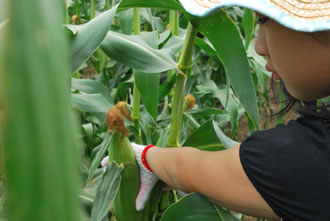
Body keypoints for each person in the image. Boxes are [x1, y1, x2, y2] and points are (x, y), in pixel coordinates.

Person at [103, 0, 330, 220]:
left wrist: (144, 157)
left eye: (264, 21)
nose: (259, 47)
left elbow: (190, 169)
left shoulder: (307, 159)